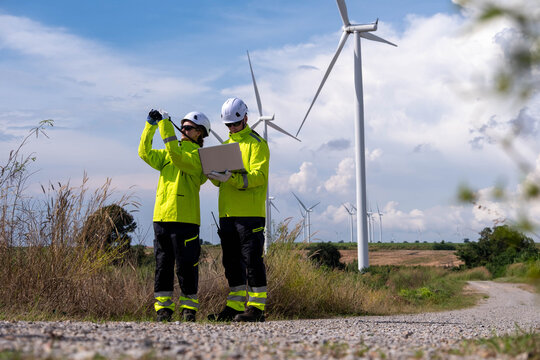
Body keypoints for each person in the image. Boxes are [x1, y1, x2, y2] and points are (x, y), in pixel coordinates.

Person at [138, 109, 210, 322]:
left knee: (187, 266)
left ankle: (189, 309)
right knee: (163, 265)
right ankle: (163, 309)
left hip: (186, 218)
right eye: (182, 126)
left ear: (199, 133)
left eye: (188, 128)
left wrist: (165, 125)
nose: (183, 130)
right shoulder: (169, 153)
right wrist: (150, 125)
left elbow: (178, 159)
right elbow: (144, 152)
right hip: (162, 217)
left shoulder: (199, 157)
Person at [207, 98, 270, 322]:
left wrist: (231, 177)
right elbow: (220, 182)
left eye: (235, 124)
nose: (232, 129)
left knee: (252, 260)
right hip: (227, 213)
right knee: (231, 262)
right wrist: (214, 176)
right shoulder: (224, 146)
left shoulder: (257, 144)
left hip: (250, 214)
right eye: (228, 126)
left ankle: (256, 308)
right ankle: (234, 307)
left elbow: (259, 177)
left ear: (245, 118)